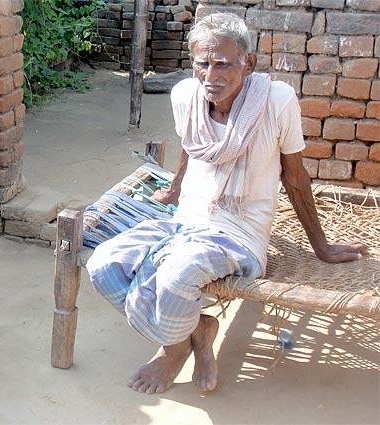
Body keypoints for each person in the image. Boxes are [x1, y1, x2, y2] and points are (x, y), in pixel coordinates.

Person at [86, 13, 366, 395]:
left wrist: (322, 246)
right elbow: (189, 147)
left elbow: (295, 177)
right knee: (103, 265)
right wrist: (175, 189)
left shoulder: (276, 101)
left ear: (247, 63)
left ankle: (171, 351)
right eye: (202, 63)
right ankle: (196, 332)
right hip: (186, 222)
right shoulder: (185, 95)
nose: (211, 75)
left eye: (223, 64)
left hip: (239, 233)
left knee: (177, 275)